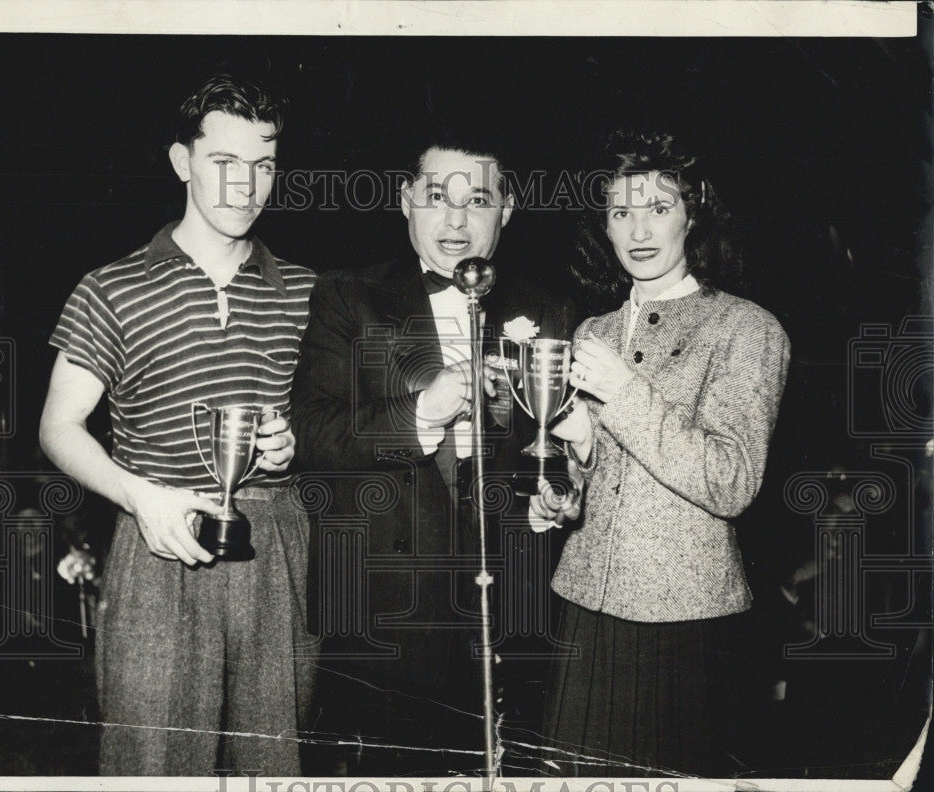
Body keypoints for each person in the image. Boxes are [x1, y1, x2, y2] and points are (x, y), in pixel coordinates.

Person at [38, 74, 316, 775]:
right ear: (181, 161)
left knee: (270, 766)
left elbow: (338, 425)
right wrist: (142, 497)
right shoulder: (111, 287)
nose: (245, 186)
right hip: (156, 542)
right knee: (151, 766)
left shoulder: (311, 293)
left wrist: (295, 444)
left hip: (275, 547)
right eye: (224, 163)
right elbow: (58, 428)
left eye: (264, 166)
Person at [290, 140, 574, 776]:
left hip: (511, 613)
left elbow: (548, 448)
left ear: (507, 210)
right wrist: (422, 413)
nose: (456, 221)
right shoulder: (346, 296)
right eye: (437, 198)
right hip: (380, 614)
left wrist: (555, 494)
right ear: (405, 203)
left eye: (477, 200)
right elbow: (310, 432)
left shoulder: (545, 307)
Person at [533, 130, 791, 777]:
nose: (638, 229)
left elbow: (731, 480)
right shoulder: (592, 329)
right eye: (621, 211)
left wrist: (623, 391)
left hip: (688, 620)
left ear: (693, 214)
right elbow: (599, 480)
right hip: (585, 611)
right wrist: (570, 484)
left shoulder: (747, 328)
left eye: (658, 206)